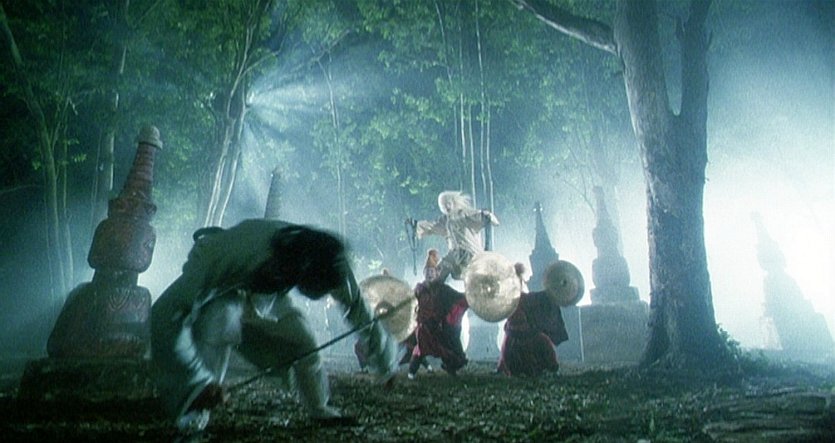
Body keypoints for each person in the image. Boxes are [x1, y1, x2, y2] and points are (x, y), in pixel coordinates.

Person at [151, 219, 400, 434]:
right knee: (222, 320)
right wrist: (197, 382)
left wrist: (386, 365)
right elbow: (168, 312)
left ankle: (319, 408)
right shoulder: (229, 255)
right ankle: (196, 407)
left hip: (265, 297)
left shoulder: (328, 260)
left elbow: (357, 308)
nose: (324, 294)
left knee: (303, 340)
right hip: (222, 293)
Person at [496, 265, 568, 377]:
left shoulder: (527, 299)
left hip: (528, 336)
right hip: (515, 339)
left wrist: (554, 289)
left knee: (542, 344)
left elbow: (543, 298)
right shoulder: (510, 301)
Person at [407, 249, 469, 379]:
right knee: (421, 347)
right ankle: (411, 372)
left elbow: (457, 297)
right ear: (424, 273)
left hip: (437, 326)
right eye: (427, 272)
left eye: (432, 272)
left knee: (444, 348)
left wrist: (469, 296)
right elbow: (410, 302)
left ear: (436, 273)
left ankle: (451, 368)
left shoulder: (442, 289)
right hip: (423, 326)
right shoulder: (419, 289)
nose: (429, 274)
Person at [411, 191, 499, 283]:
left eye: (448, 204)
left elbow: (481, 216)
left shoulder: (464, 214)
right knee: (440, 270)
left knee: (473, 277)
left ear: (453, 202)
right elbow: (433, 226)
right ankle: (433, 287)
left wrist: (487, 215)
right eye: (443, 206)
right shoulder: (445, 220)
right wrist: (417, 226)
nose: (447, 207)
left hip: (470, 253)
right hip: (454, 254)